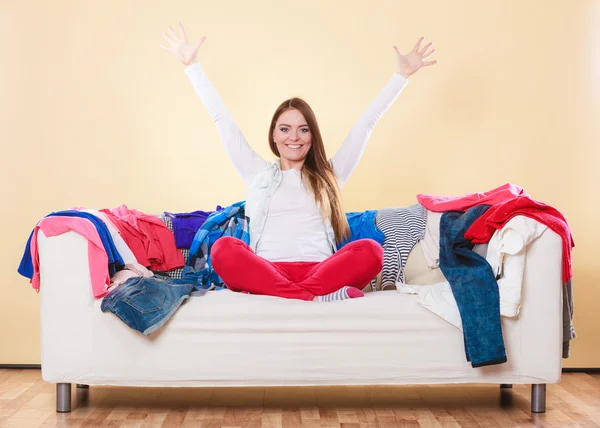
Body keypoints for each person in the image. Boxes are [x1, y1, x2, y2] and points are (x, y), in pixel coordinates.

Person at [160, 23, 436, 302]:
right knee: (223, 250)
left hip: (322, 269)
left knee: (371, 251)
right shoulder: (257, 173)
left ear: (313, 135)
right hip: (267, 270)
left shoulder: (330, 175)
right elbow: (221, 118)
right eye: (285, 129)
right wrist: (191, 66)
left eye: (303, 129)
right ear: (273, 135)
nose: (294, 137)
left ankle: (293, 295)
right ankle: (314, 298)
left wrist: (401, 76)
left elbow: (365, 125)